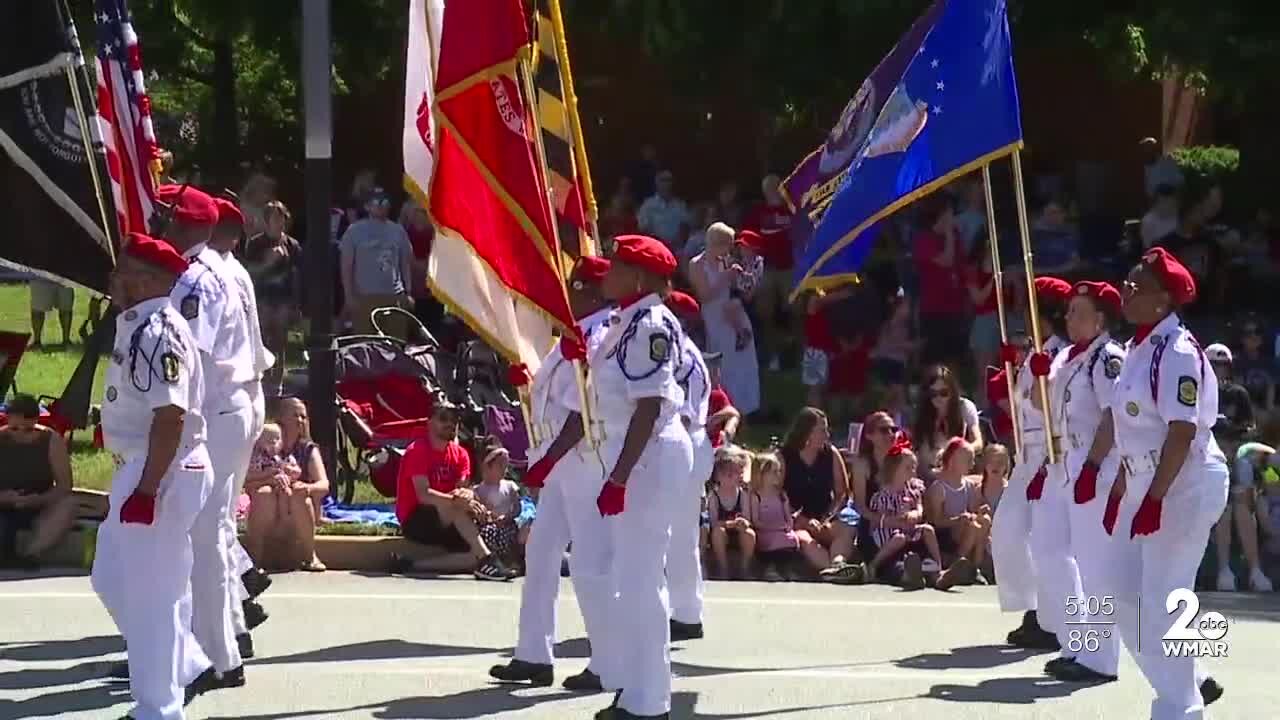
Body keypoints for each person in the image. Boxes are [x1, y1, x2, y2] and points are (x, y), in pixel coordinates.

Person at [91, 233, 217, 719]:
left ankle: (157, 709)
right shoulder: (138, 324)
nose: (113, 280)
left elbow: (171, 417)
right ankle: (184, 662)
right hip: (145, 466)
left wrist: (147, 490)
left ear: (146, 279)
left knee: (152, 595)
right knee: (112, 576)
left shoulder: (158, 330)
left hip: (159, 469)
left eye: (122, 271)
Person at [1104, 246, 1227, 716]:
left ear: (1163, 301)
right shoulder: (1139, 346)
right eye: (1127, 280)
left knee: (1163, 599)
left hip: (1185, 483)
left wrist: (1153, 499)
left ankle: (1182, 707)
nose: (1126, 289)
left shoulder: (1174, 350)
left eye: (1138, 285)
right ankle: (1190, 681)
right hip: (1149, 484)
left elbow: (1182, 429)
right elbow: (1133, 432)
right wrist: (1121, 491)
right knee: (1120, 596)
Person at [489, 255, 616, 691]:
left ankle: (607, 661)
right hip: (560, 466)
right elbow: (553, 396)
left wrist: (547, 460)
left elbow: (586, 410)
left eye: (577, 285)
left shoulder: (600, 337)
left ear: (595, 291)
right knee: (540, 553)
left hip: (582, 462)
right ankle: (534, 654)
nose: (569, 293)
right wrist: (526, 379)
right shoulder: (573, 336)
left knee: (589, 562)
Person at [154, 184, 258, 694]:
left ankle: (213, 657)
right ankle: (220, 647)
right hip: (228, 405)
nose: (158, 226)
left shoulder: (194, 280)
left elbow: (189, 358)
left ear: (186, 224)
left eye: (164, 218)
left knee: (201, 535)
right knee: (211, 532)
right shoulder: (211, 269)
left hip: (214, 410)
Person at [587, 234, 693, 720]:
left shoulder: (648, 323)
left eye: (616, 265)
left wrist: (619, 478)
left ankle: (649, 703)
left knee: (642, 579)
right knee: (633, 579)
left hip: (646, 459)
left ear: (640, 277)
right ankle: (637, 689)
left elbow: (648, 407)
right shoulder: (626, 322)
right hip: (636, 457)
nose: (606, 273)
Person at [1034, 280, 1127, 684]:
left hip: (1097, 469)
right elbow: (1043, 406)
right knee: (1051, 551)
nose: (1069, 318)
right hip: (1066, 465)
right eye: (1068, 311)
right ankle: (1078, 643)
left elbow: (1113, 415)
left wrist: (1092, 466)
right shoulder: (1070, 357)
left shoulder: (1107, 358)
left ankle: (1102, 658)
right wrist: (1036, 373)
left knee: (1095, 565)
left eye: (1078, 311)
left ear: (1101, 319)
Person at [989, 276, 1071, 651]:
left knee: (1047, 542)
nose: (1022, 311)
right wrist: (1012, 371)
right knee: (1007, 531)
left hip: (1051, 456)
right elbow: (1017, 409)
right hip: (1028, 455)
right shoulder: (1037, 351)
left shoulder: (1061, 354)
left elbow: (1048, 407)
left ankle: (1052, 621)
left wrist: (1035, 372)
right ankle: (1036, 608)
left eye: (1030, 304)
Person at [212, 198, 277, 603]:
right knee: (216, 509)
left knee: (209, 512)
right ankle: (241, 580)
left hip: (226, 397)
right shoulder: (232, 269)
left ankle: (235, 589)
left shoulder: (213, 271)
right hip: (246, 392)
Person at [394, 399, 512, 580]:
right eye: (443, 418)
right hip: (416, 518)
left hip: (448, 518)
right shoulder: (417, 451)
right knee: (457, 507)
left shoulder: (461, 454)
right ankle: (489, 559)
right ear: (430, 422)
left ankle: (412, 565)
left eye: (455, 420)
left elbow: (463, 490)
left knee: (474, 555)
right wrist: (460, 501)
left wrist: (471, 498)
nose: (450, 424)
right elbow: (423, 495)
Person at [664, 291, 713, 641]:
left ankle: (685, 614)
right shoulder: (688, 352)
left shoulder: (680, 353)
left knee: (677, 535)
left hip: (684, 437)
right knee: (681, 535)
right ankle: (685, 611)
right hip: (691, 440)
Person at [1205, 343, 1273, 592]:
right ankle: (1224, 570)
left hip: (1235, 455)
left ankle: (1255, 570)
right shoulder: (1197, 393)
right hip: (1206, 461)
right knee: (1224, 506)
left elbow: (1250, 431)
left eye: (1222, 365)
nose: (1218, 370)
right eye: (1213, 365)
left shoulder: (1238, 394)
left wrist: (1232, 448)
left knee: (1242, 498)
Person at [244, 399, 330, 573]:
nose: (300, 420)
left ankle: (309, 555)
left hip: (295, 514)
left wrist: (306, 488)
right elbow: (245, 482)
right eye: (295, 415)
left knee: (300, 496)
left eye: (303, 416)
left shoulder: (308, 449)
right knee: (264, 493)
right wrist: (270, 478)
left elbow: (324, 484)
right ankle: (254, 559)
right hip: (270, 512)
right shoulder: (263, 447)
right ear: (281, 418)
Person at [780, 408, 862, 583]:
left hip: (825, 517)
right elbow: (777, 495)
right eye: (822, 430)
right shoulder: (784, 456)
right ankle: (831, 570)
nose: (827, 434)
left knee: (847, 529)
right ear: (806, 432)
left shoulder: (830, 454)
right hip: (795, 519)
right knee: (802, 538)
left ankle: (838, 563)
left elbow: (842, 494)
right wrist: (801, 520)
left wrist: (827, 517)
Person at [867, 440, 961, 590]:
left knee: (927, 531)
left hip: (911, 534)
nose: (913, 472)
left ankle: (940, 572)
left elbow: (919, 508)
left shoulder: (912, 490)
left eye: (914, 468)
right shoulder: (883, 495)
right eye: (908, 468)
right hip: (890, 538)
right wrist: (899, 519)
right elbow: (879, 520)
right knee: (899, 548)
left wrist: (914, 514)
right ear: (894, 469)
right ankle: (876, 566)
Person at [689, 223, 760, 416]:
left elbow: (739, 291)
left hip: (733, 314)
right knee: (725, 362)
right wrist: (725, 276)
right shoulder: (697, 264)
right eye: (727, 245)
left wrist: (745, 278)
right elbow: (705, 295)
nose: (729, 250)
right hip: (714, 316)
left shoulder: (726, 260)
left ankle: (747, 409)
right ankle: (726, 407)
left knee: (744, 360)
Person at [0, 394, 77, 569]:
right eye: (14, 429)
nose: (20, 434)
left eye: (27, 430)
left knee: (69, 504)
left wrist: (37, 500)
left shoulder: (51, 440)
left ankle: (29, 554)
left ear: (36, 421)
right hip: (3, 502)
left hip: (39, 503)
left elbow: (64, 487)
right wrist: (6, 498)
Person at [243, 200, 302, 396]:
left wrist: (297, 303)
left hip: (284, 301)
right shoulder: (255, 244)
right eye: (275, 218)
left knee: (282, 344)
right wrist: (269, 263)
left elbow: (298, 275)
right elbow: (249, 273)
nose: (279, 222)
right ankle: (261, 383)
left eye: (282, 218)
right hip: (263, 300)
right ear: (266, 221)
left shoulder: (292, 244)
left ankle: (278, 385)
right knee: (262, 342)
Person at [338, 187, 414, 336]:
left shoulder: (398, 230)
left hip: (394, 296)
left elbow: (405, 263)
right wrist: (349, 296)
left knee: (395, 343)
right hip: (364, 297)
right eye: (377, 201)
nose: (382, 205)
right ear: (367, 206)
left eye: (385, 201)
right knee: (366, 345)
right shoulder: (354, 231)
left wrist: (408, 292)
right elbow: (346, 266)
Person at [743, 174, 796, 373]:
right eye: (769, 187)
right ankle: (773, 353)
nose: (773, 190)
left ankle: (796, 349)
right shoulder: (758, 212)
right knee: (766, 313)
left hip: (789, 267)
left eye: (776, 186)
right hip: (766, 268)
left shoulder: (791, 210)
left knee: (794, 310)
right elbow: (748, 239)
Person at [913, 194, 969, 368]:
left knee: (954, 355)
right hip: (934, 307)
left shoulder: (956, 237)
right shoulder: (924, 240)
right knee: (934, 357)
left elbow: (960, 264)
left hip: (955, 305)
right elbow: (946, 260)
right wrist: (949, 235)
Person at [748, 451, 823, 581]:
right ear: (762, 474)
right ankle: (770, 568)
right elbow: (756, 521)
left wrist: (787, 525)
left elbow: (787, 517)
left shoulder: (781, 495)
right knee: (776, 540)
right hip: (765, 532)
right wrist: (773, 527)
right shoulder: (756, 496)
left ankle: (785, 568)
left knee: (791, 539)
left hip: (782, 530)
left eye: (779, 471)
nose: (778, 475)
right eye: (774, 472)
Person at [923, 438, 986, 585]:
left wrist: (979, 513)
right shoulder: (939, 488)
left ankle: (974, 568)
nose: (972, 464)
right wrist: (957, 520)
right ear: (952, 461)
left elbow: (973, 511)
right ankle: (955, 567)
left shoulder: (970, 486)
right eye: (967, 460)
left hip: (963, 530)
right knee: (972, 527)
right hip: (945, 535)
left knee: (983, 522)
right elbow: (935, 522)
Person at [911, 365, 984, 475]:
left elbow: (978, 443)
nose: (938, 398)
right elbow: (918, 450)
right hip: (929, 472)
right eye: (933, 394)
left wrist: (954, 452)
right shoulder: (922, 412)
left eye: (944, 393)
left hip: (958, 469)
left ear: (952, 392)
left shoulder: (964, 407)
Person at [706, 446, 754, 579]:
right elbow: (714, 522)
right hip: (722, 531)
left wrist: (743, 523)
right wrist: (730, 524)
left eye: (736, 473)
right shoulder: (714, 496)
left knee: (749, 534)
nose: (733, 477)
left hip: (738, 531)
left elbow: (747, 519)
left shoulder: (742, 494)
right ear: (718, 476)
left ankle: (745, 567)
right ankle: (723, 567)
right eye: (728, 474)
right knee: (718, 532)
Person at [636, 170, 692, 253]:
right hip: (654, 247)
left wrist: (675, 243)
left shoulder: (680, 205)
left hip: (676, 248)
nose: (666, 184)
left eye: (669, 180)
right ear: (657, 183)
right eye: (663, 180)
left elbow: (685, 228)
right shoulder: (647, 205)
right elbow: (644, 229)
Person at [28, 277, 74, 349]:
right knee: (37, 309)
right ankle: (37, 341)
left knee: (66, 309)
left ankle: (66, 340)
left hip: (65, 275)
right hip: (42, 275)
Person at [979, 443, 1011, 511]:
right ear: (985, 464)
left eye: (1000, 462)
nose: (996, 466)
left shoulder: (1010, 491)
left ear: (1006, 466)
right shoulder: (977, 491)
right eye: (991, 461)